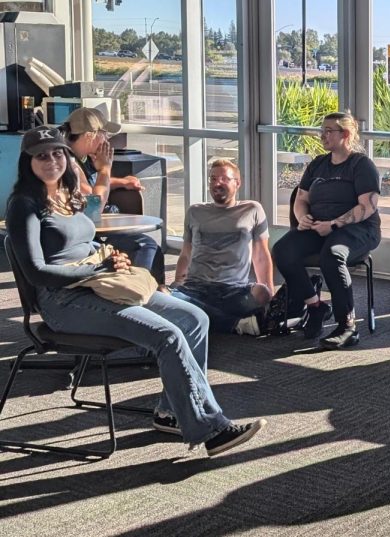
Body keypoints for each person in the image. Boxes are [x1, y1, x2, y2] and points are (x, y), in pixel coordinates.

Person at [5, 125, 265, 456]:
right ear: (27, 162)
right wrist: (97, 269)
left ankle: (171, 412)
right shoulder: (24, 205)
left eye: (58, 153)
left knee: (195, 318)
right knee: (168, 336)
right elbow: (37, 271)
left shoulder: (66, 194)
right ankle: (210, 428)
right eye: (41, 155)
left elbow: (84, 241)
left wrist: (107, 254)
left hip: (99, 285)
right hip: (64, 300)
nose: (52, 160)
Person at [271, 111, 381, 349]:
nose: (323, 136)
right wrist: (302, 219)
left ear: (346, 134)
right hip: (318, 226)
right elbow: (301, 199)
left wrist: (334, 224)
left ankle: (348, 327)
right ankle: (316, 306)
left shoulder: (361, 165)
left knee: (332, 255)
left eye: (328, 131)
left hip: (357, 229)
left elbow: (368, 207)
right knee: (283, 250)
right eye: (322, 131)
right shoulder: (318, 165)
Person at [169, 159, 274, 335]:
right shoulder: (195, 211)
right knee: (161, 295)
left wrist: (270, 292)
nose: (217, 183)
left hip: (234, 291)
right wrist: (179, 281)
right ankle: (235, 324)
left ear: (237, 183)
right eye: (213, 179)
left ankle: (199, 315)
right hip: (196, 288)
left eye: (224, 179)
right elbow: (186, 254)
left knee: (261, 293)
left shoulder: (252, 209)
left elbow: (261, 255)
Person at [61, 107, 160, 274]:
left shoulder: (76, 157)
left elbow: (89, 186)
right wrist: (105, 169)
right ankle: (141, 289)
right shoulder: (70, 164)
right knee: (145, 245)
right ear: (89, 135)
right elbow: (94, 206)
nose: (107, 139)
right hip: (82, 238)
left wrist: (121, 182)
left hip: (82, 232)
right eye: (104, 134)